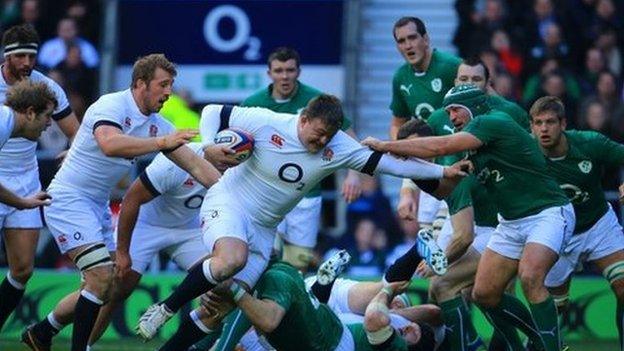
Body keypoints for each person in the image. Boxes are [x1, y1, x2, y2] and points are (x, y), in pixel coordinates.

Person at [136, 94, 469, 342]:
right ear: (304, 119)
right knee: (229, 261)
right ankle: (165, 307)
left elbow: (391, 164)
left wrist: (442, 170)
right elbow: (212, 112)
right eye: (318, 132)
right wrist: (208, 145)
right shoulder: (268, 121)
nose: (321, 141)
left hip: (265, 231)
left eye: (329, 136)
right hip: (230, 204)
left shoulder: (337, 146)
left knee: (217, 307)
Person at [21, 54, 223, 351]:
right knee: (101, 277)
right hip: (69, 198)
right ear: (141, 83)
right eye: (163, 85)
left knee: (110, 284)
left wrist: (227, 192)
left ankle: (42, 331)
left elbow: (195, 165)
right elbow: (109, 143)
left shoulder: (159, 125)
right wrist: (160, 144)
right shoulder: (112, 105)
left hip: (98, 205)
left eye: (171, 85)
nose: (169, 92)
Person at [362, 84, 575, 351]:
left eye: (455, 110)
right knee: (484, 294)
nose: (451, 118)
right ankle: (535, 340)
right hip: (510, 224)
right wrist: (403, 170)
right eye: (448, 112)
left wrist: (386, 145)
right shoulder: (475, 152)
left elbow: (442, 144)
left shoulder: (492, 122)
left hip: (547, 213)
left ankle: (550, 346)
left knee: (530, 277)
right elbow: (445, 187)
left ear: (472, 106)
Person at [241, 46, 361, 271]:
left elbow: (350, 138)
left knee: (299, 262)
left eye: (289, 70)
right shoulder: (253, 103)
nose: (284, 76)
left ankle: (290, 299)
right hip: (267, 191)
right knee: (264, 254)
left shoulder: (316, 101)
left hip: (307, 193)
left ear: (298, 72)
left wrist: (353, 175)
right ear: (269, 73)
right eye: (278, 71)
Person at [0, 24, 80, 332]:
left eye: (31, 56)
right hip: (6, 184)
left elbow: (78, 135)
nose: (26, 63)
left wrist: (72, 153)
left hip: (26, 180)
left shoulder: (46, 88)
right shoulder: (6, 120)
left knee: (22, 269)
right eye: (19, 55)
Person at [530, 96, 624, 350]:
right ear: (531, 127)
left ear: (563, 124)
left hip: (598, 225)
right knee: (554, 308)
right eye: (538, 123)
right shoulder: (525, 155)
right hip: (556, 235)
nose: (544, 129)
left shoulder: (590, 143)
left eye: (550, 122)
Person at [389, 16, 462, 237]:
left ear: (426, 39)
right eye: (402, 41)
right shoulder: (401, 77)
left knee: (446, 236)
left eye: (412, 38)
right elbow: (398, 124)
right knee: (427, 236)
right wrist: (400, 152)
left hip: (456, 162)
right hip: (427, 162)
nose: (408, 45)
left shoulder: (451, 67)